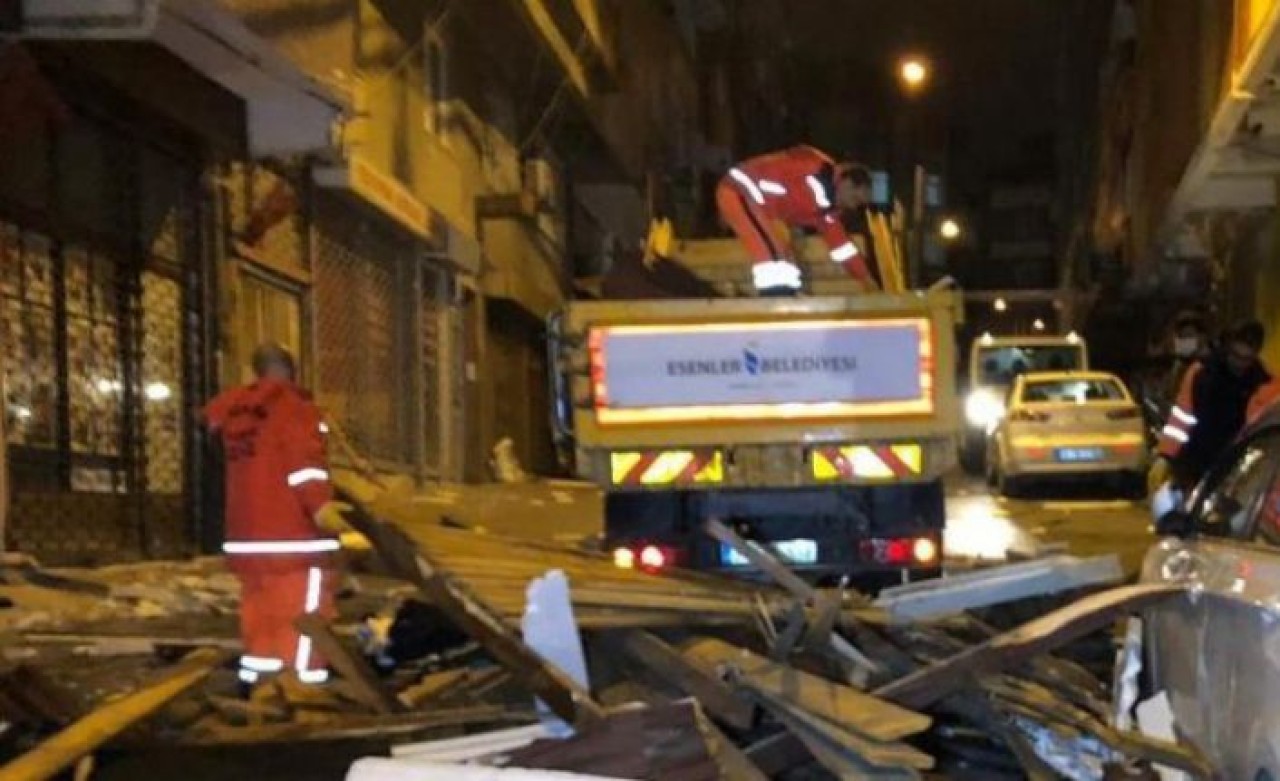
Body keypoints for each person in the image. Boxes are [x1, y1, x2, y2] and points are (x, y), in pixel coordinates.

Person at [204, 344, 351, 692]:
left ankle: (261, 678)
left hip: (247, 537)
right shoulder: (294, 409)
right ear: (291, 371)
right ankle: (302, 685)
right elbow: (305, 466)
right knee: (302, 612)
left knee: (261, 610)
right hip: (293, 536)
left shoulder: (236, 416)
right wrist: (321, 507)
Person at [715, 145, 876, 295]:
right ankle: (778, 298)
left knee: (779, 254)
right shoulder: (811, 168)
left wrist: (866, 280)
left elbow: (842, 247)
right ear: (846, 183)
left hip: (752, 202)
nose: (852, 207)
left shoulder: (826, 211)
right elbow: (773, 173)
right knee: (772, 255)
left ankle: (784, 297)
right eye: (854, 199)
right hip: (740, 191)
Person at [1150, 320, 1271, 492]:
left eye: (1246, 359)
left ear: (1256, 354)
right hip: (1195, 465)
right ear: (1228, 348)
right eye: (1236, 356)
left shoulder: (1263, 385)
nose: (1239, 364)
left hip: (1237, 474)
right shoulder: (1201, 374)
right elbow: (1181, 419)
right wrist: (1166, 456)